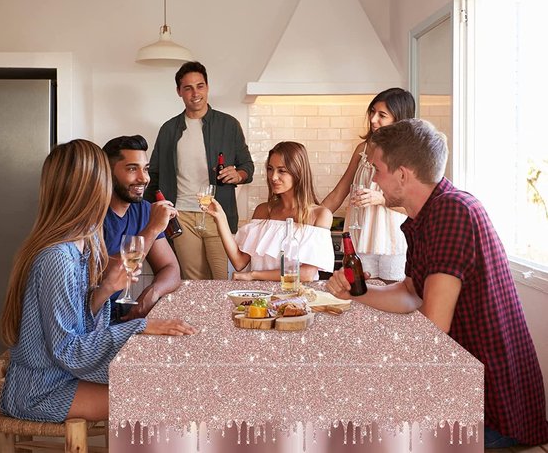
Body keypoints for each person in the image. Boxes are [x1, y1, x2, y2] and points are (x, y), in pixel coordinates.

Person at [327, 119, 548, 448]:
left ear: (402, 174)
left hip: (491, 408)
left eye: (377, 169)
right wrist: (354, 293)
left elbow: (434, 325)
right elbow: (409, 293)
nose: (373, 180)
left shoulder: (451, 212)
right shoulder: (431, 214)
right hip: (471, 389)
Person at [0, 139, 196, 423]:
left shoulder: (86, 242)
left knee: (162, 383)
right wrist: (141, 326)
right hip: (42, 388)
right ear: (90, 188)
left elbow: (75, 323)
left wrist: (106, 288)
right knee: (158, 396)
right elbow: (67, 349)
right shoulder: (57, 257)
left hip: (62, 374)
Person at [144, 61, 254, 281]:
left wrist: (238, 175)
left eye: (200, 86)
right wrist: (147, 216)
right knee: (192, 283)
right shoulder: (168, 130)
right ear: (179, 92)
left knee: (221, 281)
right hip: (182, 216)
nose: (195, 93)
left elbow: (247, 167)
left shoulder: (229, 125)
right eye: (188, 88)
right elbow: (153, 175)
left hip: (217, 215)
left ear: (207, 87)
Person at [322, 88, 415, 282]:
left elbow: (415, 206)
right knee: (361, 295)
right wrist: (312, 219)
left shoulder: (409, 154)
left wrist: (381, 199)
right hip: (361, 236)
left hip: (392, 241)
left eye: (382, 115)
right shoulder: (362, 149)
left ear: (399, 119)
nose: (373, 119)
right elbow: (339, 192)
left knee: (393, 297)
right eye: (372, 112)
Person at [207, 141, 334, 281]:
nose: (273, 177)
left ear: (298, 172)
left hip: (295, 299)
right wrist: (220, 218)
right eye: (270, 169)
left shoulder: (319, 215)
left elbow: (307, 274)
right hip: (259, 299)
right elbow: (239, 262)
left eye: (282, 171)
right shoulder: (263, 211)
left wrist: (254, 275)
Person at [102, 135, 182, 321]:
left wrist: (152, 293)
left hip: (116, 314)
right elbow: (105, 276)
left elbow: (171, 268)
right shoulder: (93, 214)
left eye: (145, 169)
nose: (143, 178)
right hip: (88, 321)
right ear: (108, 172)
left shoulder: (145, 209)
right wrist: (152, 229)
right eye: (132, 169)